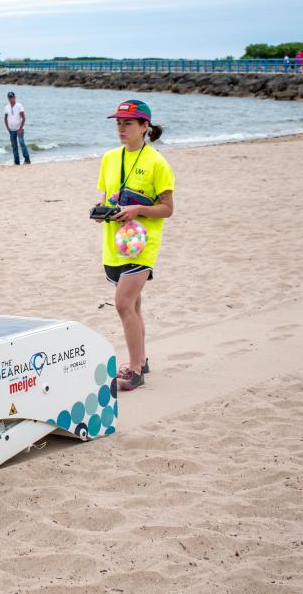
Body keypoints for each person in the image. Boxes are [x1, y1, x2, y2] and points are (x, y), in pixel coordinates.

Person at [94, 99, 175, 391]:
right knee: (135, 305)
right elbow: (107, 199)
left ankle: (136, 370)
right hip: (114, 244)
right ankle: (141, 357)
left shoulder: (157, 162)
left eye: (128, 123)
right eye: (118, 123)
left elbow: (167, 208)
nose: (121, 128)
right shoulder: (109, 158)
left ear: (145, 127)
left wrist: (137, 210)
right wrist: (101, 212)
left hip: (143, 245)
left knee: (123, 304)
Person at [3, 91, 31, 165]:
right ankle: (16, 162)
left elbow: (24, 118)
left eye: (12, 97)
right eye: (9, 97)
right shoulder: (6, 107)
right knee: (14, 146)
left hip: (19, 129)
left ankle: (27, 160)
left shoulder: (19, 106)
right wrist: (7, 128)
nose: (11, 99)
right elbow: (5, 118)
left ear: (15, 97)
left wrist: (20, 128)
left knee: (22, 143)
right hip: (11, 130)